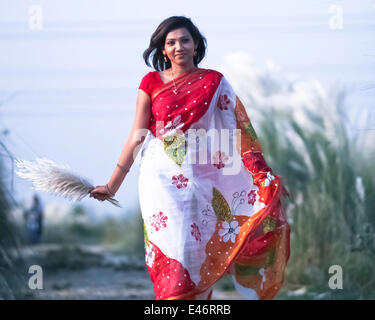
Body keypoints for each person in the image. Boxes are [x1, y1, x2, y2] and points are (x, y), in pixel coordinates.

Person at [90, 16, 291, 300]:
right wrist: (112, 186)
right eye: (170, 42)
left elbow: (238, 134)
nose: (178, 47)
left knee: (195, 251)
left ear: (196, 45)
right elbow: (137, 136)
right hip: (159, 180)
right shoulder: (150, 82)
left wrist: (263, 177)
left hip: (201, 179)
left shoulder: (214, 81)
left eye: (185, 40)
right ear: (162, 49)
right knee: (174, 248)